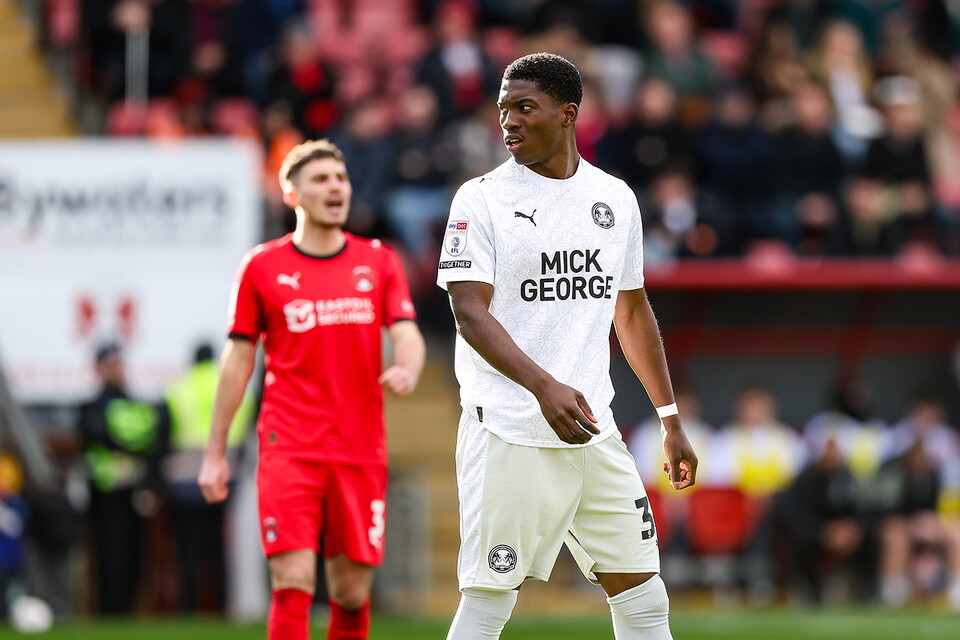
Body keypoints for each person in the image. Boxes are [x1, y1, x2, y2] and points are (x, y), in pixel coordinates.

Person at [437, 52, 698, 640]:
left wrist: (669, 417)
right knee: (487, 602)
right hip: (508, 430)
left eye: (525, 108)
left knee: (644, 600)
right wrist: (542, 387)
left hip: (592, 431)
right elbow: (468, 312)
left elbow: (630, 309)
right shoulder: (479, 201)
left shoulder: (615, 199)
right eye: (503, 110)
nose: (509, 122)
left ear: (568, 114)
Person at [197, 138, 426, 640]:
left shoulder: (379, 261)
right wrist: (215, 453)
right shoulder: (262, 267)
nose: (335, 188)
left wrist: (407, 367)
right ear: (291, 193)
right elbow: (238, 362)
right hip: (289, 446)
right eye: (321, 179)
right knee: (293, 580)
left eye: (340, 179)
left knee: (350, 592)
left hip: (359, 448)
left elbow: (407, 332)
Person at [77, 342, 168, 615]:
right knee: (108, 557)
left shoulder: (135, 404)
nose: (117, 371)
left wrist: (150, 482)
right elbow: (95, 437)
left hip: (133, 494)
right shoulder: (92, 407)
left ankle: (128, 610)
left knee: (133, 556)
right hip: (104, 495)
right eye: (112, 365)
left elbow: (151, 442)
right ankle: (108, 611)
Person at [164, 343, 255, 613]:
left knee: (188, 549)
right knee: (218, 548)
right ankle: (222, 607)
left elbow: (165, 434)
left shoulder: (179, 388)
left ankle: (190, 608)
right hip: (226, 478)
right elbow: (248, 426)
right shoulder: (232, 384)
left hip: (184, 482)